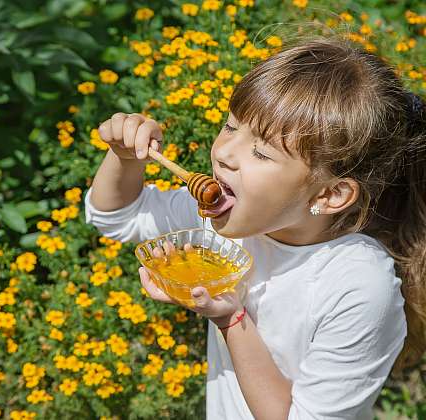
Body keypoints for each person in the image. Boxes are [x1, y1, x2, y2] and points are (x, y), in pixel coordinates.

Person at [84, 36, 426, 419]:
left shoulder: (358, 285)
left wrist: (231, 319)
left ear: (330, 195)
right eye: (231, 127)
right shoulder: (228, 220)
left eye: (261, 152)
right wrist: (125, 158)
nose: (225, 153)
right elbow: (117, 216)